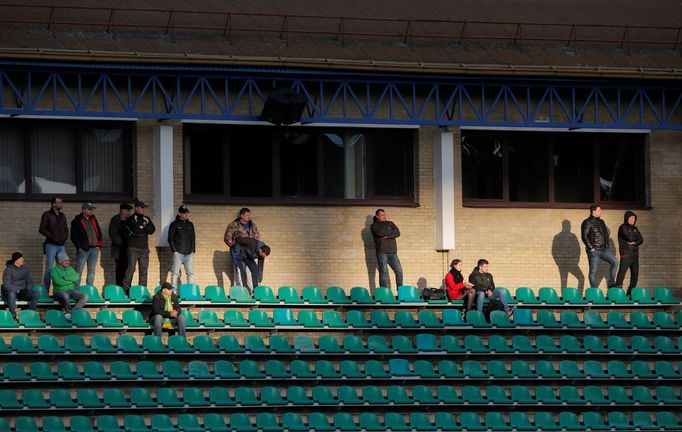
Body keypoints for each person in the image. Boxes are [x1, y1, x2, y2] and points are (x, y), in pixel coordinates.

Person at [581, 204, 619, 288]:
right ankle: (594, 288)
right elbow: (584, 236)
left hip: (604, 249)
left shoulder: (601, 222)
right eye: (599, 210)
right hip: (594, 250)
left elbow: (605, 234)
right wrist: (591, 248)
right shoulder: (587, 222)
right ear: (593, 212)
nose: (600, 211)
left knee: (615, 262)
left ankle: (611, 283)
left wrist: (607, 246)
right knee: (593, 270)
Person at [123, 201, 156, 292]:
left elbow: (152, 230)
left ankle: (142, 289)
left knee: (144, 270)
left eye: (144, 207)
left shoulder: (146, 218)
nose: (143, 209)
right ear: (136, 208)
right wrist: (143, 228)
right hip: (133, 248)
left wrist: (143, 227)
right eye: (141, 207)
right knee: (131, 268)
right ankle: (126, 289)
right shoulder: (130, 218)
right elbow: (135, 230)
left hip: (144, 249)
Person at [224, 208, 260, 287]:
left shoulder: (252, 225)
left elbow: (257, 237)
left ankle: (251, 292)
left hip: (250, 253)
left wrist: (255, 248)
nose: (249, 217)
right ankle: (239, 292)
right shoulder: (234, 225)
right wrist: (234, 246)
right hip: (239, 253)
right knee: (239, 272)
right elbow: (227, 238)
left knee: (251, 272)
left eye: (249, 215)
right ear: (242, 215)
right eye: (247, 215)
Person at [70, 203, 103, 287]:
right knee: (79, 270)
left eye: (92, 209)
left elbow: (98, 232)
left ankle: (89, 288)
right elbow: (73, 236)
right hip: (84, 249)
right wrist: (79, 247)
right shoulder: (77, 221)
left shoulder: (93, 220)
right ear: (84, 210)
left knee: (92, 270)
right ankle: (76, 289)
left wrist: (98, 245)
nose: (91, 211)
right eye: (89, 209)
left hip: (94, 248)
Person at [39, 196, 68, 290]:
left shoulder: (62, 215)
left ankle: (60, 289)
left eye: (61, 202)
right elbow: (41, 229)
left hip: (61, 245)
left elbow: (66, 228)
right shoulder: (47, 214)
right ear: (53, 204)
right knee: (49, 268)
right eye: (59, 202)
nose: (61, 204)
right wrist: (53, 237)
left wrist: (65, 237)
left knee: (62, 267)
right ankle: (46, 290)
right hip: (51, 245)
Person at [370, 209, 403, 288]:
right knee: (383, 272)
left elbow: (397, 233)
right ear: (377, 216)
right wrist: (390, 231)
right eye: (382, 215)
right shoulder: (374, 225)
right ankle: (385, 291)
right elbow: (379, 233)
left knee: (399, 271)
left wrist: (387, 236)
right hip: (382, 252)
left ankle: (400, 290)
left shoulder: (390, 223)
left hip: (393, 252)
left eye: (385, 214)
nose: (384, 216)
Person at [50, 252, 88, 320]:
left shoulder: (70, 269)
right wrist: (71, 281)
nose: (68, 262)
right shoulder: (54, 270)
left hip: (71, 291)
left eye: (68, 260)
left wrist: (65, 278)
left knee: (85, 296)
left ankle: (72, 313)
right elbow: (58, 282)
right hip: (59, 292)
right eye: (65, 260)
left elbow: (76, 277)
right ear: (60, 261)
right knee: (65, 295)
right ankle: (69, 311)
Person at [2, 252, 38, 320]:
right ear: (16, 260)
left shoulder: (25, 269)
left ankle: (29, 314)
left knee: (35, 294)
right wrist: (18, 290)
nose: (23, 260)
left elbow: (30, 281)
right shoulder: (8, 270)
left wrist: (27, 290)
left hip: (24, 291)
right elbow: (6, 284)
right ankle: (13, 316)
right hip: (14, 292)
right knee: (11, 294)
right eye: (21, 258)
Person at [168, 205, 196, 293]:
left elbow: (193, 238)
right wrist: (174, 251)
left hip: (189, 252)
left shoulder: (190, 224)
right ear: (179, 213)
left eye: (187, 212)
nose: (186, 214)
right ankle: (173, 292)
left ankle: (190, 292)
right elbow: (170, 238)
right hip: (178, 253)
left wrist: (193, 250)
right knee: (175, 273)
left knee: (190, 273)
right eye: (184, 213)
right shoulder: (174, 224)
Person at [615, 210, 644, 295]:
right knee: (622, 272)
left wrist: (634, 242)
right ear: (627, 218)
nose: (633, 220)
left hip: (635, 255)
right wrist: (635, 239)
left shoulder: (635, 228)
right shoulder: (622, 227)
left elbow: (641, 239)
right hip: (626, 253)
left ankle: (630, 292)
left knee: (635, 274)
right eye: (631, 218)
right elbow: (629, 237)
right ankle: (618, 291)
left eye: (634, 218)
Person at [109, 202, 133, 286]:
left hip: (128, 250)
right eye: (127, 210)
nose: (128, 212)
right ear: (122, 210)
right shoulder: (115, 219)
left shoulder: (129, 220)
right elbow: (113, 234)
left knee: (128, 269)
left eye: (129, 211)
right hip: (118, 251)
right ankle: (119, 287)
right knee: (120, 269)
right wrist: (123, 245)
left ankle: (126, 287)